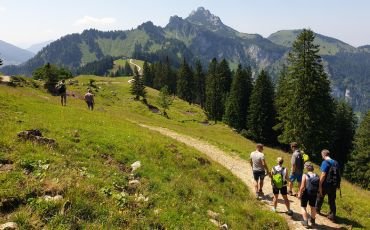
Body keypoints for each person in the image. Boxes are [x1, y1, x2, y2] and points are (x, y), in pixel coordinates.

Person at [316, 149, 340, 222]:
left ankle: (317, 209)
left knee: (320, 196)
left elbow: (323, 175)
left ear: (323, 155)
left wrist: (319, 183)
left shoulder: (325, 162)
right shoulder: (336, 162)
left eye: (322, 155)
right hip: (334, 185)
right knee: (332, 200)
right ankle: (332, 215)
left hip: (326, 184)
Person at [298, 161, 319, 228]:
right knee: (313, 207)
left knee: (303, 207)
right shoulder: (317, 175)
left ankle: (305, 222)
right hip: (314, 193)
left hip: (306, 193)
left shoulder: (305, 175)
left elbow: (302, 186)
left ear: (307, 168)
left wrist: (299, 193)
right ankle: (313, 221)